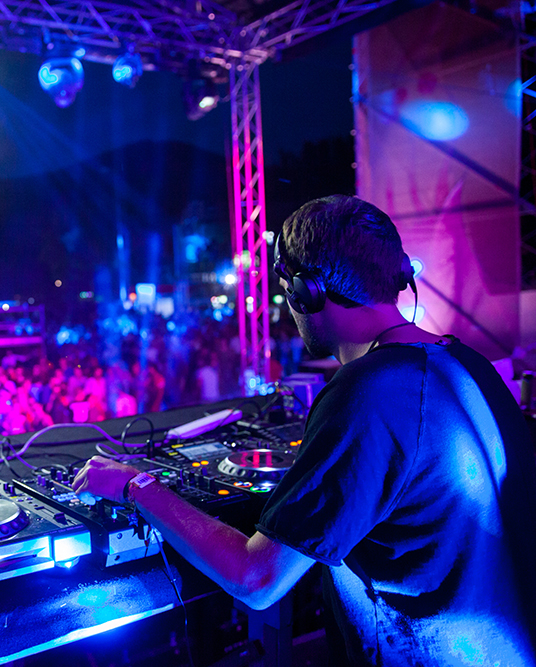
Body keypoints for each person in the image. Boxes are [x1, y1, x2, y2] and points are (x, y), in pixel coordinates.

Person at [74, 195, 536, 666]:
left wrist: (136, 485)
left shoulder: (369, 391)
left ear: (306, 292)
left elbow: (256, 579)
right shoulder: (472, 364)